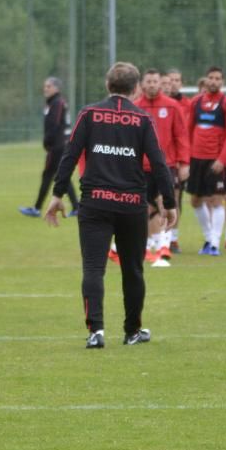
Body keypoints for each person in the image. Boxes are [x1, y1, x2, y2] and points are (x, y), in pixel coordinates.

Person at [44, 62, 176, 348]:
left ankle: (96, 332)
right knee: (133, 270)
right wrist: (169, 201)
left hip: (95, 203)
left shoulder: (89, 114)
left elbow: (69, 154)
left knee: (93, 268)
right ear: (136, 88)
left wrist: (57, 195)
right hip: (131, 205)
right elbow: (159, 162)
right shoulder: (142, 119)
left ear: (107, 85)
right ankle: (132, 331)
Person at [134, 68, 190, 266]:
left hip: (167, 165)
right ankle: (150, 245)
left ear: (160, 83)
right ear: (142, 84)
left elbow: (181, 136)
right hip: (141, 166)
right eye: (148, 81)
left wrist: (185, 162)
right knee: (146, 207)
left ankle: (164, 245)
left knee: (167, 201)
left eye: (154, 81)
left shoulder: (172, 106)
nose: (151, 85)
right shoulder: (135, 107)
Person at [186, 66, 226, 256]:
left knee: (217, 200)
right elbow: (188, 129)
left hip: (216, 160)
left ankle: (215, 243)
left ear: (222, 82)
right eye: (211, 77)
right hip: (196, 159)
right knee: (194, 201)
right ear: (206, 80)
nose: (213, 81)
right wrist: (186, 158)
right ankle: (209, 238)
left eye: (217, 78)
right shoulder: (196, 102)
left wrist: (223, 159)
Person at [19, 77, 78, 218]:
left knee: (48, 176)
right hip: (61, 145)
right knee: (61, 176)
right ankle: (76, 207)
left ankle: (37, 209)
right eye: (45, 86)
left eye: (49, 86)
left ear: (56, 88)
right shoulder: (54, 102)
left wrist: (47, 142)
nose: (45, 88)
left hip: (57, 147)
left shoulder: (57, 103)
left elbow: (54, 125)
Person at [165, 68, 194, 253]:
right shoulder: (153, 104)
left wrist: (185, 161)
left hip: (175, 161)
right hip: (155, 162)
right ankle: (155, 237)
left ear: (181, 83)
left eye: (176, 80)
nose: (173, 83)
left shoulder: (187, 105)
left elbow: (186, 135)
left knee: (175, 199)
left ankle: (173, 239)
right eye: (169, 81)